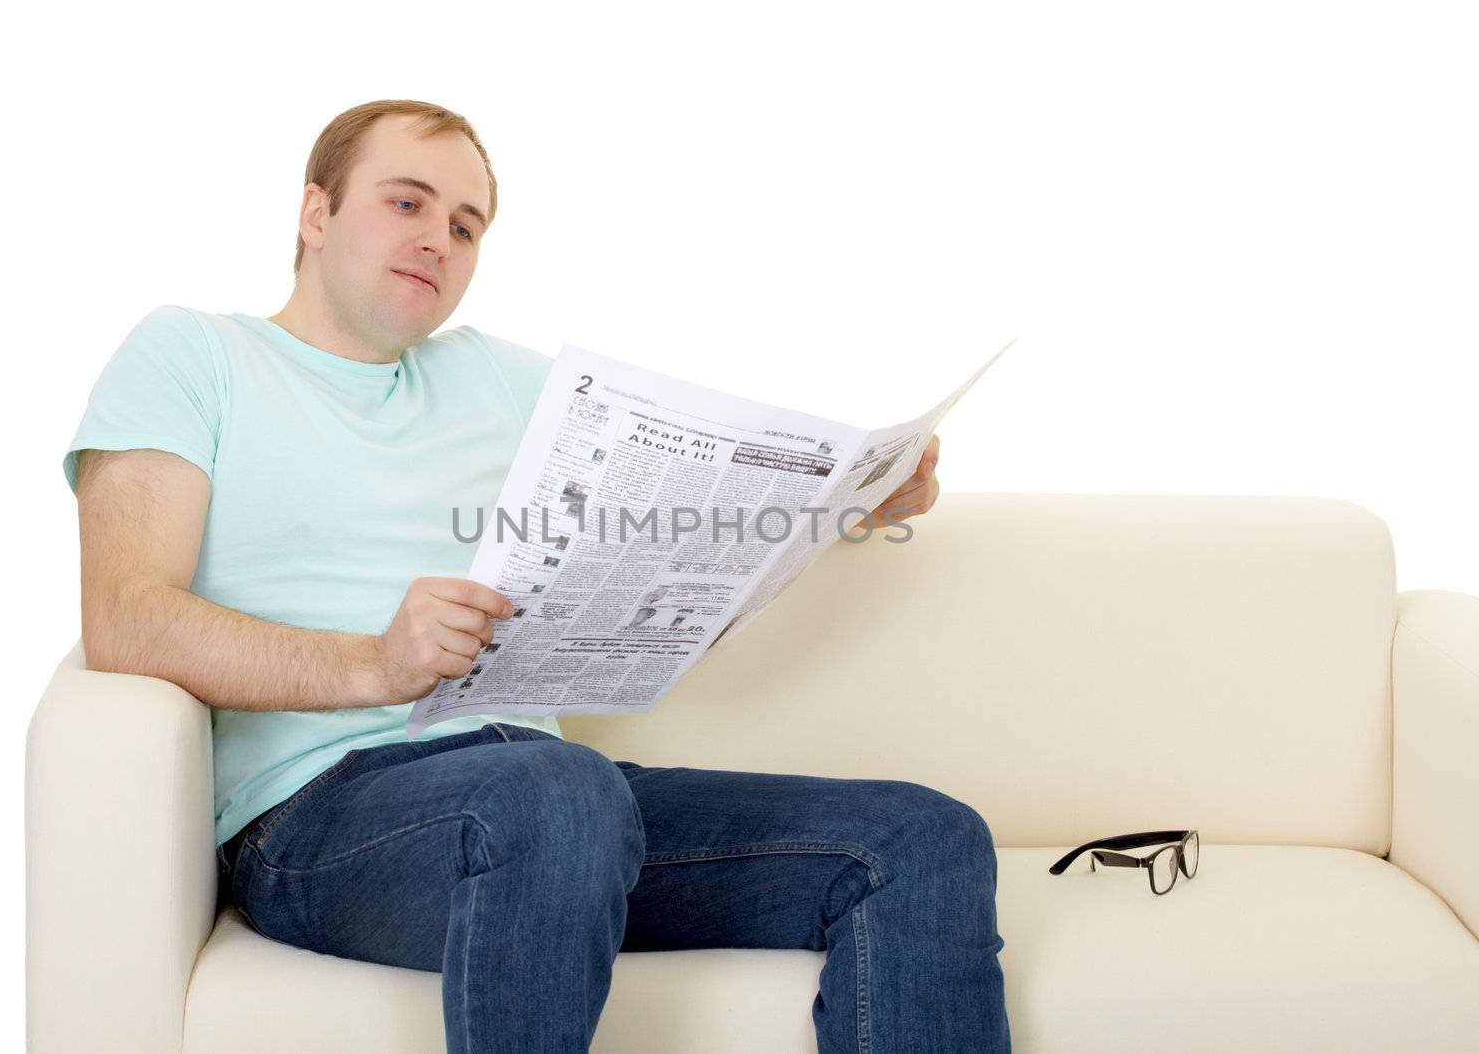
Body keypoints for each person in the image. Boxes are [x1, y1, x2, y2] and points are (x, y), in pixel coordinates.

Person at [64, 98, 1009, 1053]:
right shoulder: (194, 354)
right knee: (557, 790)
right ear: (316, 213)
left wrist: (854, 498)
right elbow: (127, 617)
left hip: (555, 803)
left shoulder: (499, 379)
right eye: (407, 203)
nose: (439, 239)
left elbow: (688, 525)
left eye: (465, 226)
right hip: (322, 818)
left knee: (922, 840)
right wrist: (374, 665)